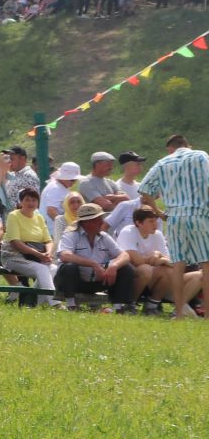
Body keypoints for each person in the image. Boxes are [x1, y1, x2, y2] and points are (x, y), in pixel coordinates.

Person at [137, 133, 209, 321]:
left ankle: (178, 314)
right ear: (188, 145)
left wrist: (158, 212)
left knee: (178, 265)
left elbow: (144, 188)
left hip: (175, 217)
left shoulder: (163, 162)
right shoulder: (201, 156)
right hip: (199, 214)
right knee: (206, 263)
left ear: (171, 148)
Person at [55, 202, 138, 309]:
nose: (102, 222)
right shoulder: (71, 235)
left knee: (126, 269)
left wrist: (114, 266)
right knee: (69, 267)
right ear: (86, 222)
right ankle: (71, 305)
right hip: (76, 281)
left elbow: (125, 255)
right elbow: (65, 256)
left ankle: (118, 307)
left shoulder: (104, 236)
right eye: (98, 219)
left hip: (98, 281)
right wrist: (93, 264)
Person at [117, 206, 198, 312]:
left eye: (156, 221)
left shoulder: (158, 235)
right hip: (127, 278)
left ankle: (152, 305)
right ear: (138, 223)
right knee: (145, 269)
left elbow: (171, 261)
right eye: (151, 221)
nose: (155, 224)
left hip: (151, 277)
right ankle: (129, 304)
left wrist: (159, 255)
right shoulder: (128, 232)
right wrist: (158, 260)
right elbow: (137, 261)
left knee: (168, 271)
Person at [0, 186, 57, 306]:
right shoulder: (13, 216)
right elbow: (15, 243)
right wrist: (39, 255)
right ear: (21, 202)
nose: (31, 203)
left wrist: (48, 253)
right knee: (41, 269)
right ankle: (55, 303)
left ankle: (37, 302)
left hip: (37, 258)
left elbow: (48, 240)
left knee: (54, 269)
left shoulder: (39, 217)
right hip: (14, 257)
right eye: (27, 200)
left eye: (34, 200)